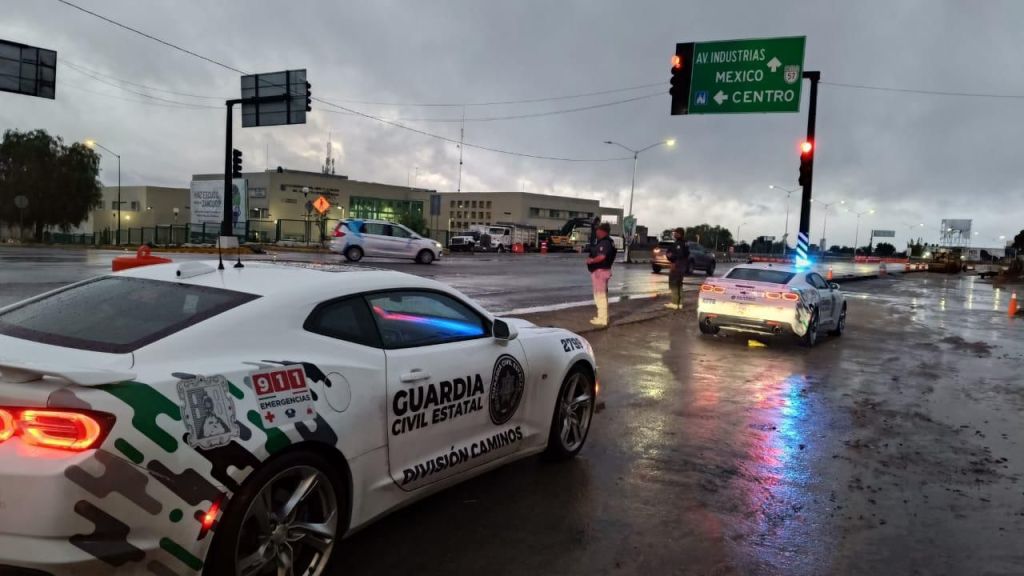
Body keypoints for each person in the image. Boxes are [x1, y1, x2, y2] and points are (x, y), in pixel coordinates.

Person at [586, 222, 616, 327]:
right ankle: (602, 317)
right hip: (603, 271)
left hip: (600, 271)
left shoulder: (605, 242)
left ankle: (602, 319)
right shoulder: (608, 242)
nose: (596, 232)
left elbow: (602, 256)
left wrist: (591, 261)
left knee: (600, 296)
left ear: (602, 231)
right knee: (601, 295)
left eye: (598, 230)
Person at [665, 227, 690, 310]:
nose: (674, 234)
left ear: (679, 234)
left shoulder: (679, 243)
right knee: (679, 284)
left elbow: (679, 255)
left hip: (677, 266)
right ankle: (680, 303)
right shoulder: (685, 243)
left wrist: (671, 257)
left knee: (674, 284)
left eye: (675, 233)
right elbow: (686, 254)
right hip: (682, 266)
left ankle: (674, 303)